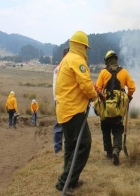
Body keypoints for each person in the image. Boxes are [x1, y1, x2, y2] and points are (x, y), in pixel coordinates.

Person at [54, 31, 98, 195]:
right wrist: (94, 96)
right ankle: (64, 182)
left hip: (65, 110)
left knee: (71, 147)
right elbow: (86, 85)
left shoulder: (66, 59)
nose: (86, 51)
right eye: (85, 47)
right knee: (84, 144)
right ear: (81, 46)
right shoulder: (77, 60)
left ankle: (71, 180)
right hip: (73, 111)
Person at [95, 50, 136, 166]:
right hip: (118, 108)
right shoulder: (124, 72)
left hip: (105, 106)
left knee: (105, 128)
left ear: (107, 61)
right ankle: (116, 150)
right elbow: (132, 87)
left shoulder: (103, 73)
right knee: (117, 129)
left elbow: (97, 88)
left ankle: (108, 152)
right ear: (116, 60)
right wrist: (128, 97)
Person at [53, 47, 69, 156]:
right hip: (61, 100)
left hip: (63, 99)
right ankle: (58, 149)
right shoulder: (59, 68)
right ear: (64, 56)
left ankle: (65, 148)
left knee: (66, 125)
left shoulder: (63, 67)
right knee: (60, 125)